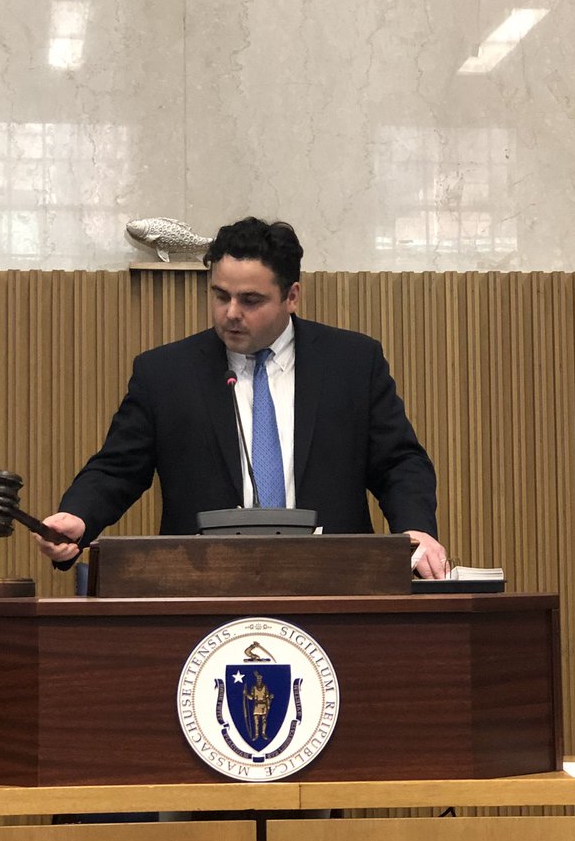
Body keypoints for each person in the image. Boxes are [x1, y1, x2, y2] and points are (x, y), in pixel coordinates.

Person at [34, 217, 448, 578]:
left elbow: (398, 462)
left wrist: (416, 530)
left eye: (250, 300)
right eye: (220, 295)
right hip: (202, 584)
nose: (231, 312)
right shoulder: (165, 373)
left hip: (334, 582)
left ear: (292, 296)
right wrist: (78, 516)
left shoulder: (352, 363)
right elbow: (118, 469)